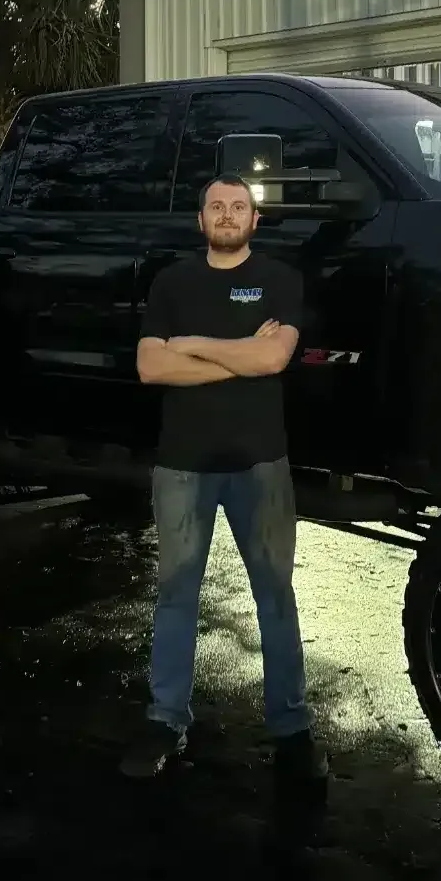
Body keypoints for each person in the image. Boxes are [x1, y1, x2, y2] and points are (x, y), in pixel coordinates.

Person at [121, 174, 326, 784]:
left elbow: (273, 359)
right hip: (182, 464)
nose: (228, 215)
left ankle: (291, 728)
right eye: (217, 206)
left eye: (240, 207)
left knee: (275, 595)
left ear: (254, 221)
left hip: (259, 464)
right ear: (201, 218)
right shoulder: (172, 283)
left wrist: (192, 346)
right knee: (176, 595)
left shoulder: (280, 281)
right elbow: (151, 367)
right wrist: (236, 356)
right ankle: (166, 719)